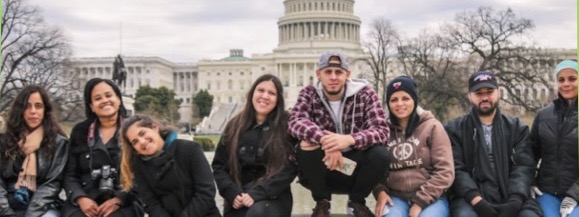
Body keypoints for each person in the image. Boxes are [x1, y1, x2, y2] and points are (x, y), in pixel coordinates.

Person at [288, 51, 390, 217]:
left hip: (356, 170)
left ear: (347, 74)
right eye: (328, 72)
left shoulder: (365, 94)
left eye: (339, 72)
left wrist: (349, 140)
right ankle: (322, 203)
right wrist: (326, 141)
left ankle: (356, 202)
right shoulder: (308, 93)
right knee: (306, 144)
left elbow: (382, 131)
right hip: (324, 168)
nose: (333, 77)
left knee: (381, 153)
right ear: (318, 74)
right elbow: (295, 123)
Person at [445, 71, 541, 217]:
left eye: (489, 92)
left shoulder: (517, 128)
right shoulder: (454, 129)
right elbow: (457, 169)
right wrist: (477, 201)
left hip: (512, 196)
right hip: (470, 198)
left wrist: (514, 202)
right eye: (478, 93)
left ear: (498, 93)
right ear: (470, 96)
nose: (484, 97)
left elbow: (523, 167)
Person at [212, 74, 297, 217]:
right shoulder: (234, 125)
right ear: (252, 93)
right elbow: (219, 166)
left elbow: (290, 168)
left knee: (257, 213)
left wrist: (257, 193)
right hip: (238, 198)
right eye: (261, 90)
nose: (264, 96)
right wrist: (231, 192)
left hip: (272, 198)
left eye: (271, 93)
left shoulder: (287, 125)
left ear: (278, 99)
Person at [373, 76, 454, 217]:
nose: (399, 104)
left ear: (414, 100)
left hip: (432, 198)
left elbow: (445, 171)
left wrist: (420, 202)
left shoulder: (432, 126)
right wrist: (380, 191)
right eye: (394, 100)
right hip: (396, 198)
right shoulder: (383, 131)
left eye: (405, 98)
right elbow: (374, 168)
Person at [62, 78, 142, 217]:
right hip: (86, 200)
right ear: (91, 106)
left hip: (125, 201)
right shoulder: (81, 131)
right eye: (98, 98)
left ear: (118, 99)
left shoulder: (133, 129)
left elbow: (143, 173)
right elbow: (70, 174)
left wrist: (120, 199)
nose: (105, 100)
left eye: (109, 95)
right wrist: (80, 198)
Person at [119, 115, 221, 217]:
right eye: (135, 142)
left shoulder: (190, 149)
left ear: (154, 128)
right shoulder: (139, 167)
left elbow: (206, 192)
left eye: (142, 133)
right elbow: (150, 203)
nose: (142, 142)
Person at [0, 85, 69, 217]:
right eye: (27, 106)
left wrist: (31, 215)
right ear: (20, 110)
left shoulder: (59, 143)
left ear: (45, 110)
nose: (33, 111)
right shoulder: (4, 140)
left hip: (43, 206)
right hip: (7, 204)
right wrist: (6, 212)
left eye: (38, 106)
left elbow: (52, 184)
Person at [530, 60, 578, 217]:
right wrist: (528, 181)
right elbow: (530, 153)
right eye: (561, 80)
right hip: (547, 191)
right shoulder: (543, 115)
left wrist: (574, 195)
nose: (566, 84)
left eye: (572, 79)